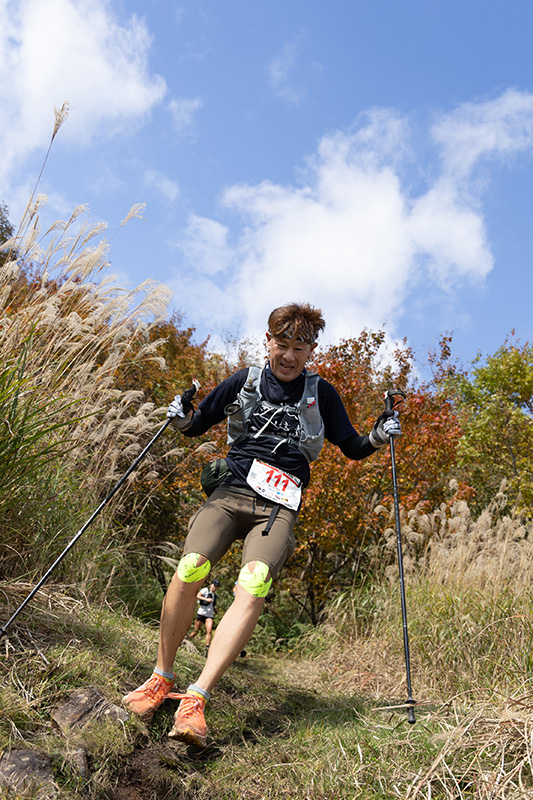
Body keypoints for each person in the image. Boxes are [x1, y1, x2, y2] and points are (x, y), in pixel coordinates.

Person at [122, 302, 401, 747]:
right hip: (231, 490)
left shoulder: (321, 393)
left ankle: (196, 699)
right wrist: (180, 416)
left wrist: (379, 435)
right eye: (282, 344)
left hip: (279, 506)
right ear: (267, 341)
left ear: (311, 351)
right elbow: (198, 423)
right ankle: (160, 678)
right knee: (191, 567)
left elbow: (352, 445)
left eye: (299, 348)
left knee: (253, 584)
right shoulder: (245, 380)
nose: (289, 355)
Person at [189, 579, 220, 655]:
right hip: (201, 613)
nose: (215, 587)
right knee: (196, 631)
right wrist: (206, 599)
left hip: (209, 615)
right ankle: (188, 639)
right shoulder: (205, 590)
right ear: (211, 584)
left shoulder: (214, 595)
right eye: (214, 585)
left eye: (217, 586)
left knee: (209, 631)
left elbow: (212, 604)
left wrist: (215, 609)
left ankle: (207, 647)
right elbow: (198, 595)